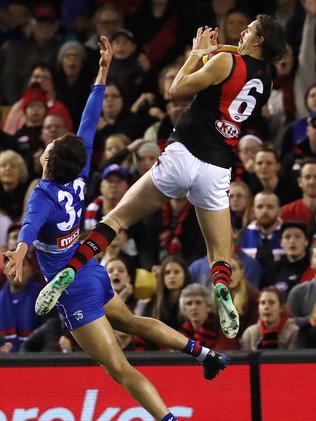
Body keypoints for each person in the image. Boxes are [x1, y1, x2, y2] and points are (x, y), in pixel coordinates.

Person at [4, 36, 228, 421]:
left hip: (70, 286)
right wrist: (103, 70)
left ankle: (168, 419)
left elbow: (27, 229)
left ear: (47, 158)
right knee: (131, 321)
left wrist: (21, 255)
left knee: (120, 370)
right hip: (89, 268)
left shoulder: (42, 195)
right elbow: (90, 119)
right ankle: (205, 353)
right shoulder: (79, 170)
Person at [37, 17, 286, 340]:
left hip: (184, 153)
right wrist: (217, 56)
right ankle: (221, 289)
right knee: (220, 253)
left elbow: (176, 90)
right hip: (217, 168)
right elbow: (230, 88)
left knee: (117, 218)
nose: (242, 32)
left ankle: (69, 271)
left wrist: (197, 54)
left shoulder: (227, 60)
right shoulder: (265, 82)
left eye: (249, 29)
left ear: (260, 38)